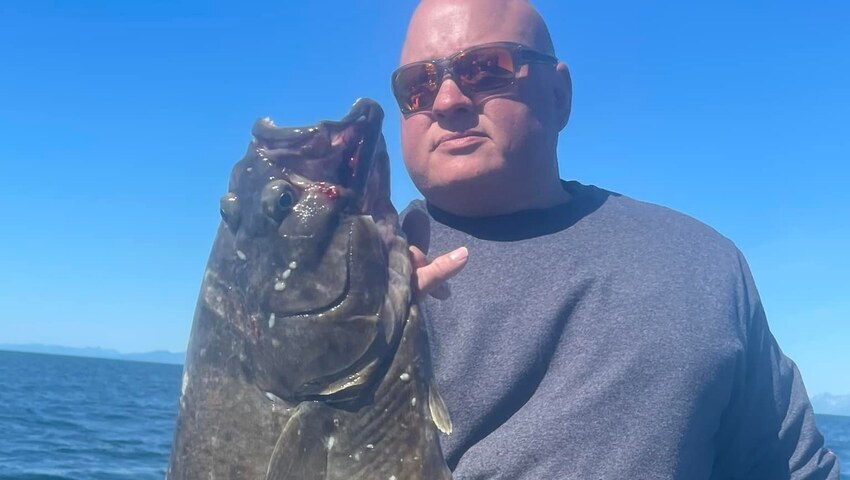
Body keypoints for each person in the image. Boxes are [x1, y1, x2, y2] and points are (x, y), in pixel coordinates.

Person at [391, 0, 842, 478]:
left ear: (560, 93)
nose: (446, 101)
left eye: (484, 69)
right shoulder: (347, 286)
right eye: (417, 86)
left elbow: (791, 467)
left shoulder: (700, 262)